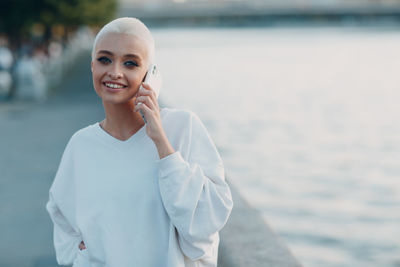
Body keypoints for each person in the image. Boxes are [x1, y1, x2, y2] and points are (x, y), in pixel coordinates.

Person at [45, 17, 233, 267]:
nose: (114, 72)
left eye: (130, 63)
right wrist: (81, 256)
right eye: (105, 59)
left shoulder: (183, 127)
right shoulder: (81, 145)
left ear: (150, 74)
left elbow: (207, 222)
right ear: (92, 66)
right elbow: (62, 218)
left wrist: (160, 141)